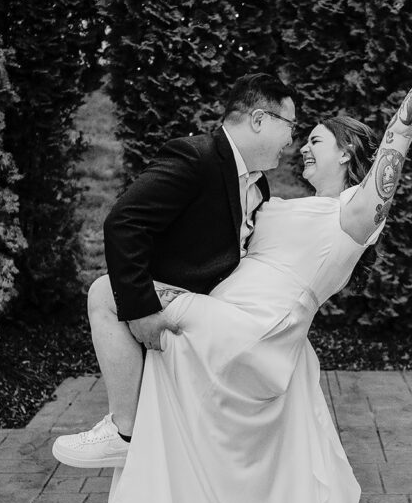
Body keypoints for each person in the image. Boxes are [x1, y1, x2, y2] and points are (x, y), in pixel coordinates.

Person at [91, 18, 412, 503]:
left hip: (255, 332)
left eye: (316, 139)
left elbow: (401, 132)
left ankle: (121, 435)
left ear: (349, 154)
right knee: (194, 452)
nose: (304, 144)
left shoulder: (355, 214)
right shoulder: (274, 199)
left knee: (110, 293)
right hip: (224, 324)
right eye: (302, 133)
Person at [52, 73, 297, 470]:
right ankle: (124, 431)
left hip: (223, 315)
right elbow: (124, 223)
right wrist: (142, 310)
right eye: (289, 125)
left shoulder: (258, 186)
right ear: (258, 118)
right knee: (104, 291)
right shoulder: (195, 157)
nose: (291, 139)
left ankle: (129, 433)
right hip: (185, 311)